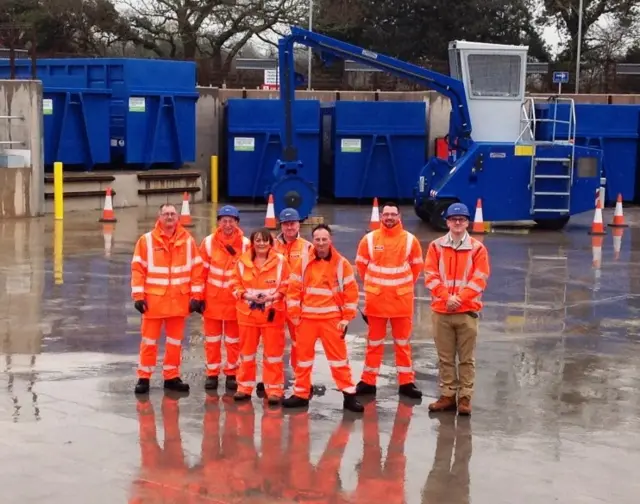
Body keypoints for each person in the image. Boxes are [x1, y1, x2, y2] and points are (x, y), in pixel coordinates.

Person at [282, 224, 364, 413]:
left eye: (324, 239)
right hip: (306, 320)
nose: (320, 243)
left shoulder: (341, 263)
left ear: (330, 240)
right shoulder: (302, 263)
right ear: (312, 241)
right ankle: (301, 394)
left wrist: (346, 318)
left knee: (339, 360)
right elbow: (293, 290)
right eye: (317, 239)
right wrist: (294, 316)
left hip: (331, 320)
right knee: (303, 360)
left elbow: (351, 292)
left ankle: (349, 395)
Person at [423, 202, 490, 416]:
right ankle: (448, 395)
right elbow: (430, 276)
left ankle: (464, 398)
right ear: (448, 222)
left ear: (467, 222)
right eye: (454, 219)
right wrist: (446, 297)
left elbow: (480, 279)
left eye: (461, 219)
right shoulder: (435, 247)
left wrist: (458, 299)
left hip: (466, 312)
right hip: (442, 312)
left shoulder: (478, 249)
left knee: (466, 359)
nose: (458, 222)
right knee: (445, 358)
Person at [131, 203, 204, 394]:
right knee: (149, 342)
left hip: (178, 303)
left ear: (178, 217)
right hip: (153, 303)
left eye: (172, 213)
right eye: (166, 214)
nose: (170, 217)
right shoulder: (146, 241)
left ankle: (171, 377)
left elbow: (197, 270)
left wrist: (196, 296)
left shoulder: (188, 241)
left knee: (175, 343)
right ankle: (144, 378)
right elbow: (138, 269)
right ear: (159, 217)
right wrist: (138, 296)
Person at [354, 202, 424, 399]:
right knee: (373, 344)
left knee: (403, 344)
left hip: (401, 303)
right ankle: (368, 382)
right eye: (386, 214)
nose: (389, 217)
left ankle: (406, 383)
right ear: (381, 217)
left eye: (393, 214)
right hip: (376, 303)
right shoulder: (369, 239)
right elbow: (361, 266)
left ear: (399, 216)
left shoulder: (410, 240)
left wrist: (399, 287)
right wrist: (376, 287)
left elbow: (417, 268)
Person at [230, 228, 290, 405]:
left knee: (273, 354)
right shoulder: (242, 262)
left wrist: (274, 297)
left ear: (270, 243)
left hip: (272, 314)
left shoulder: (281, 262)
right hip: (247, 314)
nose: (261, 243)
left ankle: (274, 389)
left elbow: (288, 284)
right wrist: (247, 296)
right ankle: (244, 387)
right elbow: (234, 284)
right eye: (258, 240)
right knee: (246, 353)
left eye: (265, 240)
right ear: (252, 242)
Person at [199, 205, 251, 391]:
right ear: (218, 222)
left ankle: (231, 374)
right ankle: (212, 374)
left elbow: (251, 272)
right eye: (224, 220)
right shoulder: (207, 243)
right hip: (211, 301)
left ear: (237, 223)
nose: (227, 224)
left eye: (231, 221)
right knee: (212, 341)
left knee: (233, 341)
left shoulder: (246, 244)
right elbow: (200, 271)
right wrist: (198, 296)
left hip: (234, 302)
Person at [273, 207, 313, 373]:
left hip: (298, 303)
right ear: (281, 226)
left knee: (300, 341)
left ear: (299, 225)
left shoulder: (308, 248)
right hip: (275, 302)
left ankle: (301, 377)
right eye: (286, 224)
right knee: (273, 341)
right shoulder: (270, 246)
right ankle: (272, 379)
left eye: (292, 224)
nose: (289, 227)